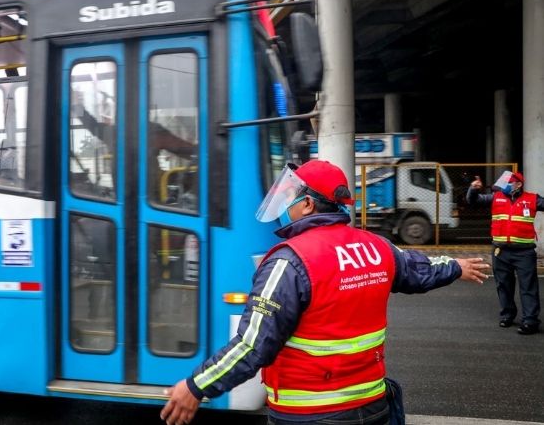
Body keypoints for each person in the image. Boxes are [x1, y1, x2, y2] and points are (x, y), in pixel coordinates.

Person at [160, 159, 490, 425]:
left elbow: (252, 345)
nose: (283, 202)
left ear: (306, 204)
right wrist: (457, 266)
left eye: (289, 196)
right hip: (373, 406)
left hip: (310, 413)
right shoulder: (376, 248)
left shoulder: (290, 262)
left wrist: (196, 386)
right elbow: (421, 270)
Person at [466, 171, 543, 335]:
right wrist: (473, 189)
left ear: (518, 184)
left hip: (524, 253)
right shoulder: (496, 197)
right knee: (503, 286)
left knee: (528, 288)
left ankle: (530, 321)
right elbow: (472, 201)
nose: (503, 187)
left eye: (508, 183)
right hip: (501, 251)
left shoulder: (532, 199)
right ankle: (507, 315)